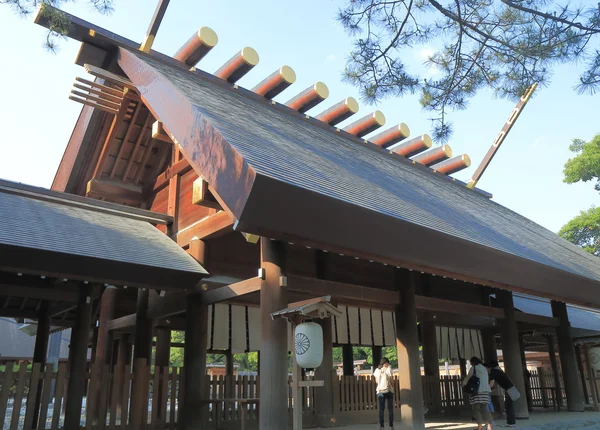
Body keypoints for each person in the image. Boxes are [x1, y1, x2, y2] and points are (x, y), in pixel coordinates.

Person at [463, 357, 493, 430]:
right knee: (484, 409)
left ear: (472, 362)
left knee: (476, 409)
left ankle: (480, 426)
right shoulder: (484, 368)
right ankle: (489, 426)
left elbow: (468, 377)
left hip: (477, 391)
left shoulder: (474, 368)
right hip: (485, 390)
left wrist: (463, 383)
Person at [486, 360, 516, 428]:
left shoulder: (493, 371)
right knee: (508, 406)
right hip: (510, 388)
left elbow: (491, 384)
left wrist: (485, 389)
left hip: (509, 389)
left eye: (487, 368)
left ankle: (511, 423)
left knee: (508, 406)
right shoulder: (498, 370)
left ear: (490, 367)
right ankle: (511, 422)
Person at [373, 357, 394, 430]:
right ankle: (391, 426)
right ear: (385, 363)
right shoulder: (388, 368)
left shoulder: (377, 370)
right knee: (390, 409)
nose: (388, 364)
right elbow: (392, 381)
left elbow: (376, 382)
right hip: (389, 391)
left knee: (381, 409)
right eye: (387, 362)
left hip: (380, 392)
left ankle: (382, 426)